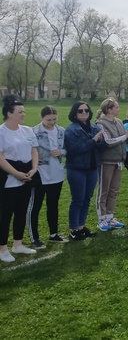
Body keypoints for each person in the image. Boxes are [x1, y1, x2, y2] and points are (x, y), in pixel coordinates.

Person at [0, 95, 39, 262]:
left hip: (27, 176)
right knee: (5, 213)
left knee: (21, 211)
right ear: (10, 113)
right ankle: (2, 248)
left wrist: (34, 169)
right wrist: (16, 173)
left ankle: (18, 244)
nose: (23, 114)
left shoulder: (28, 131)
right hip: (9, 177)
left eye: (24, 111)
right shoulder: (1, 132)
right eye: (20, 112)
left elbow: (33, 150)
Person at [64, 101, 106, 240]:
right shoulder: (71, 130)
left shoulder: (94, 127)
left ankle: (81, 226)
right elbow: (74, 150)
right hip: (77, 169)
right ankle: (73, 229)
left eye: (86, 111)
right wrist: (94, 141)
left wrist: (99, 141)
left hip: (92, 168)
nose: (84, 113)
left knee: (87, 199)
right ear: (74, 114)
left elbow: (103, 146)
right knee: (78, 199)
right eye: (80, 111)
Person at [28, 106, 67, 248]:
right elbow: (26, 148)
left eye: (54, 119)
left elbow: (67, 149)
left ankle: (53, 233)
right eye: (48, 120)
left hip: (56, 173)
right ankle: (35, 238)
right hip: (39, 174)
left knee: (53, 204)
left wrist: (61, 152)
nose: (52, 122)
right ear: (42, 118)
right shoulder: (33, 132)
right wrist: (31, 159)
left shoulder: (61, 131)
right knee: (35, 206)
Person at [95, 98, 128, 231]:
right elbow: (108, 142)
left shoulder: (118, 122)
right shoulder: (100, 124)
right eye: (117, 107)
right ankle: (101, 219)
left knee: (114, 190)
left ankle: (110, 216)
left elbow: (124, 139)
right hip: (106, 161)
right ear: (109, 110)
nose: (119, 109)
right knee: (104, 190)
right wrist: (125, 136)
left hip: (118, 160)